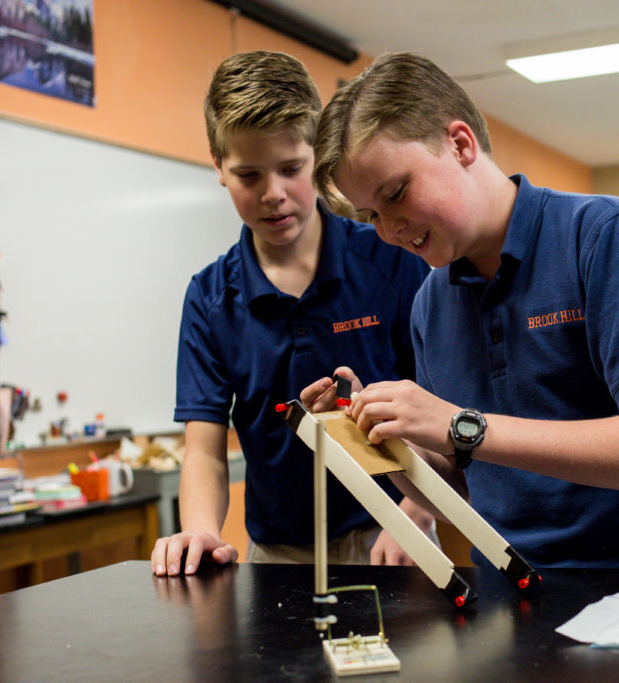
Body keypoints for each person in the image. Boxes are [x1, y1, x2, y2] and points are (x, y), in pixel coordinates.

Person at [312, 52, 619, 569]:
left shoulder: (604, 236)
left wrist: (462, 425)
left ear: (461, 144)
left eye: (396, 193)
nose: (389, 229)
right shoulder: (431, 303)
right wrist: (381, 442)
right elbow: (463, 488)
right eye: (371, 215)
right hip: (521, 582)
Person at [151, 51, 432, 577]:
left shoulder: (392, 262)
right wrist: (202, 532)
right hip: (278, 555)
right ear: (217, 166)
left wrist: (414, 512)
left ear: (319, 157)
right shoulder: (210, 300)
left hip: (394, 532)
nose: (273, 194)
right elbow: (206, 450)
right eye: (249, 175)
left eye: (290, 169)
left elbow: (439, 402)